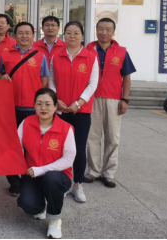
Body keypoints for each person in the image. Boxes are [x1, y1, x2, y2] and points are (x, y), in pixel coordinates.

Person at [0, 22, 50, 197]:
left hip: (31, 108)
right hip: (9, 107)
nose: (24, 36)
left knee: (30, 146)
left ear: (33, 36)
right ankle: (14, 181)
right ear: (15, 35)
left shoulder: (40, 56)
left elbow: (44, 81)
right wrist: (2, 77)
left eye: (28, 33)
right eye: (21, 33)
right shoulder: (6, 54)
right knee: (10, 145)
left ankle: (28, 179)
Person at [49, 22, 99, 204]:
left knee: (78, 147)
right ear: (64, 35)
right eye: (68, 33)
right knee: (59, 148)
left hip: (81, 111)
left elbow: (93, 83)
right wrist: (56, 100)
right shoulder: (56, 55)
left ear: (82, 36)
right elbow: (51, 80)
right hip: (60, 110)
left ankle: (78, 183)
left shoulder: (91, 57)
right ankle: (63, 183)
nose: (72, 36)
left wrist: (79, 103)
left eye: (76, 33)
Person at [16, 89, 76, 240]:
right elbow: (14, 149)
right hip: (33, 174)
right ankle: (40, 204)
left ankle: (54, 219)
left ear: (55, 106)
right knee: (28, 205)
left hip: (58, 176)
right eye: (39, 104)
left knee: (51, 178)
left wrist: (41, 169)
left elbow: (69, 159)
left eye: (48, 104)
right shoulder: (26, 123)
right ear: (34, 106)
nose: (43, 108)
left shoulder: (66, 128)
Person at [85, 18, 136, 188]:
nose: (104, 32)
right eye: (100, 28)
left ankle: (109, 173)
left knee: (112, 137)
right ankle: (93, 171)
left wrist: (124, 99)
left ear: (113, 32)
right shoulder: (88, 49)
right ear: (96, 30)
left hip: (113, 99)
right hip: (91, 98)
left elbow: (126, 77)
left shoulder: (121, 52)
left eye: (108, 29)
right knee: (92, 136)